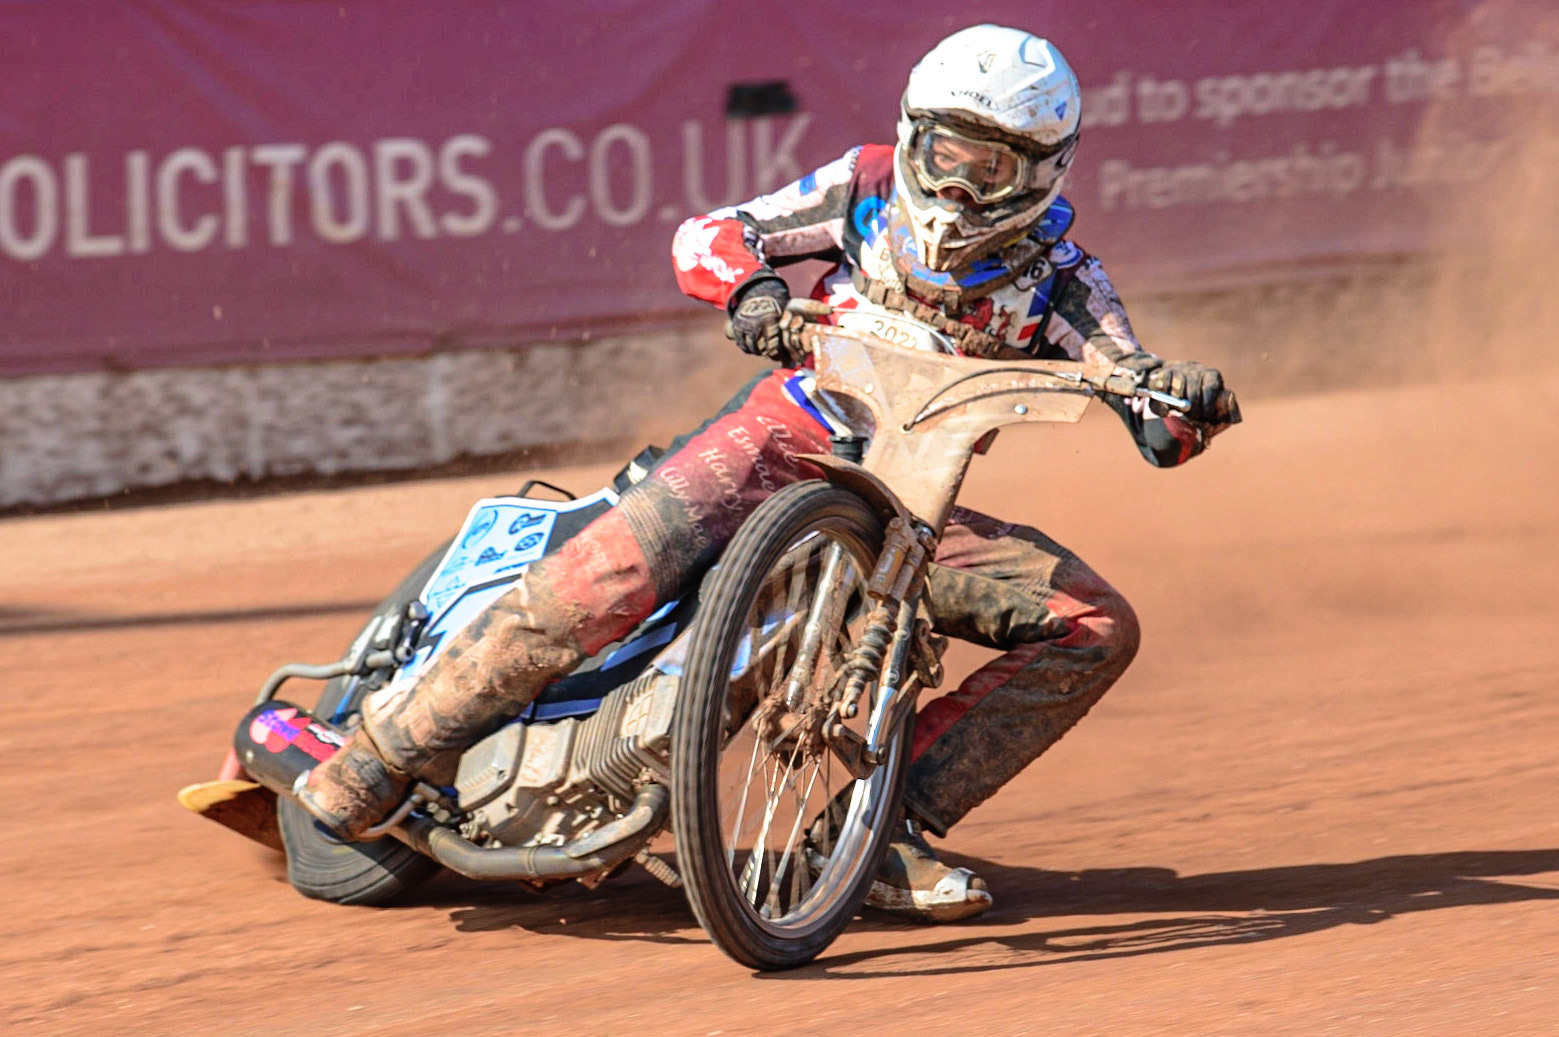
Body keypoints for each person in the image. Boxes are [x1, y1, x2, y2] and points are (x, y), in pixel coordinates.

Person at [299, 23, 1240, 922]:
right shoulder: (865, 183)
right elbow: (710, 233)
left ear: (1041, 170)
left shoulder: (1066, 281)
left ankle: (874, 834)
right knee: (608, 571)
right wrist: (752, 293)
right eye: (946, 152)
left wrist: (1185, 403)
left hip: (915, 507)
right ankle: (380, 757)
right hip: (780, 438)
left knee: (1094, 626)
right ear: (915, 134)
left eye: (987, 166)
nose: (957, 184)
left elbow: (1151, 414)